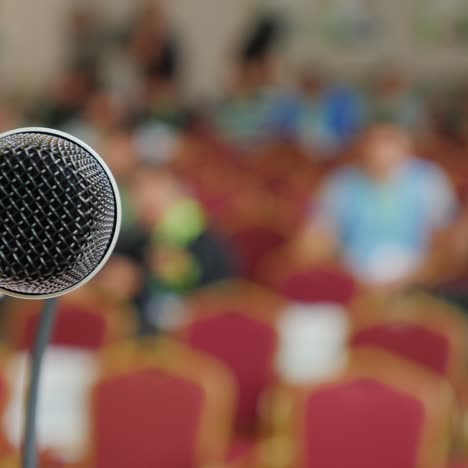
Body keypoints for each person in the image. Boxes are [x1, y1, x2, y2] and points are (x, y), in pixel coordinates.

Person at [301, 125, 465, 288]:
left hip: (419, 276)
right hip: (354, 275)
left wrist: (427, 269)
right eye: (375, 146)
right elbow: (319, 233)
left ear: (406, 150)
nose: (382, 155)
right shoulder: (341, 183)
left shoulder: (429, 180)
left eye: (389, 145)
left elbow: (447, 230)